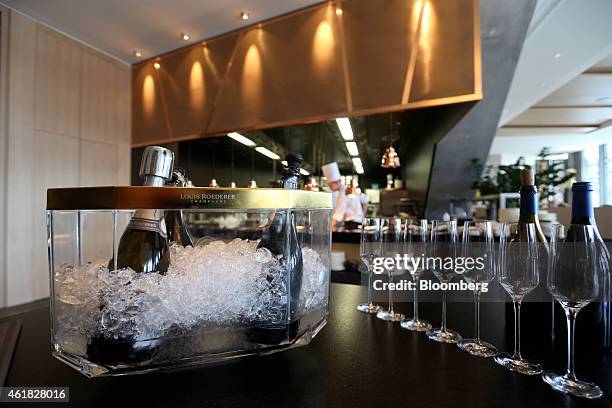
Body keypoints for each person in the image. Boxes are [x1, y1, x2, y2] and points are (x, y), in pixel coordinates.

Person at [321, 162, 369, 231]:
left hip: (352, 223)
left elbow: (339, 213)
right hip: (358, 222)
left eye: (330, 185)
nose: (329, 187)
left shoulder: (344, 191)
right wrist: (362, 216)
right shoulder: (348, 189)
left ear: (337, 182)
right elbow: (366, 200)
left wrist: (328, 227)